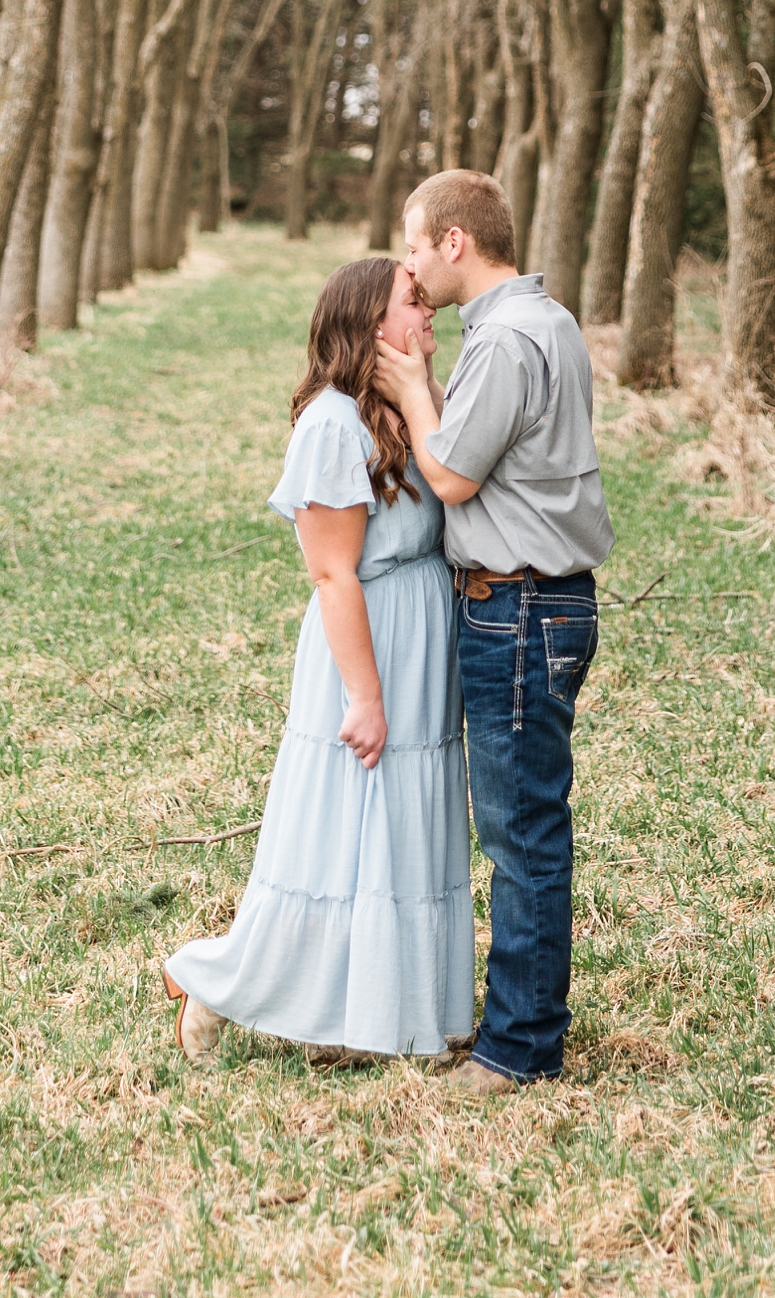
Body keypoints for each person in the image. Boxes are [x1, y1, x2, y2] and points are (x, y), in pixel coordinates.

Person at [160, 256, 474, 1065]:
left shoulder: (408, 408)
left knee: (402, 829)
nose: (429, 310)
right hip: (369, 645)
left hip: (421, 641)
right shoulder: (333, 424)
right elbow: (333, 573)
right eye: (412, 302)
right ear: (372, 324)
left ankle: (385, 1015)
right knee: (339, 835)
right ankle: (214, 983)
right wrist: (364, 697)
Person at [374, 168, 613, 1095]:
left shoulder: (508, 339)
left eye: (414, 243)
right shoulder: (540, 322)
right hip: (535, 604)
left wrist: (411, 385)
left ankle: (519, 1048)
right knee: (524, 826)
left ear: (455, 241)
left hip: (520, 607)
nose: (408, 264)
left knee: (521, 835)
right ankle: (520, 1027)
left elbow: (452, 476)